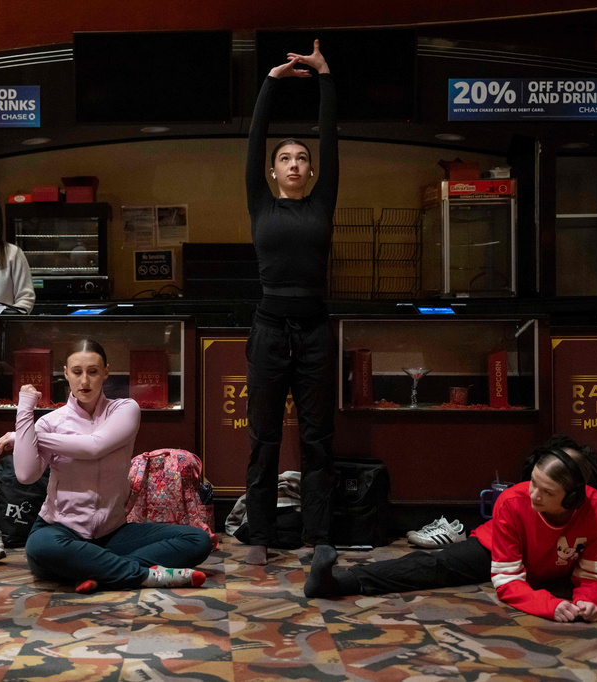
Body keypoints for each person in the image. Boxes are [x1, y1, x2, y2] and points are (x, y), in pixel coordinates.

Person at [305, 436, 597, 622]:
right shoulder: (512, 501)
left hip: (567, 557)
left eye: (546, 491)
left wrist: (590, 601)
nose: (533, 494)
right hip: (504, 551)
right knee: (432, 566)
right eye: (533, 482)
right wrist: (550, 605)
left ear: (573, 499)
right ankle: (336, 582)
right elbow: (508, 583)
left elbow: (593, 575)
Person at [0, 338, 212, 593]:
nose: (84, 381)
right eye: (77, 372)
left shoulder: (125, 410)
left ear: (106, 372)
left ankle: (99, 572)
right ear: (66, 374)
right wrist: (25, 412)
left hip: (113, 534)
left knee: (197, 540)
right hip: (60, 531)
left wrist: (25, 436)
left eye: (93, 371)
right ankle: (144, 575)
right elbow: (25, 475)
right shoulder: (50, 423)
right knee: (41, 548)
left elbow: (94, 446)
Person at [243, 39, 339, 565]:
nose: (295, 164)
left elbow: (330, 135)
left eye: (303, 158)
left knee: (318, 437)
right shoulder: (260, 203)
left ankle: (317, 533)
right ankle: (259, 533)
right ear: (274, 171)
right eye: (286, 159)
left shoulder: (323, 202)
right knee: (263, 437)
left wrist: (325, 77)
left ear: (312, 170)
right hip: (269, 329)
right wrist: (271, 82)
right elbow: (255, 138)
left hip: (315, 330)